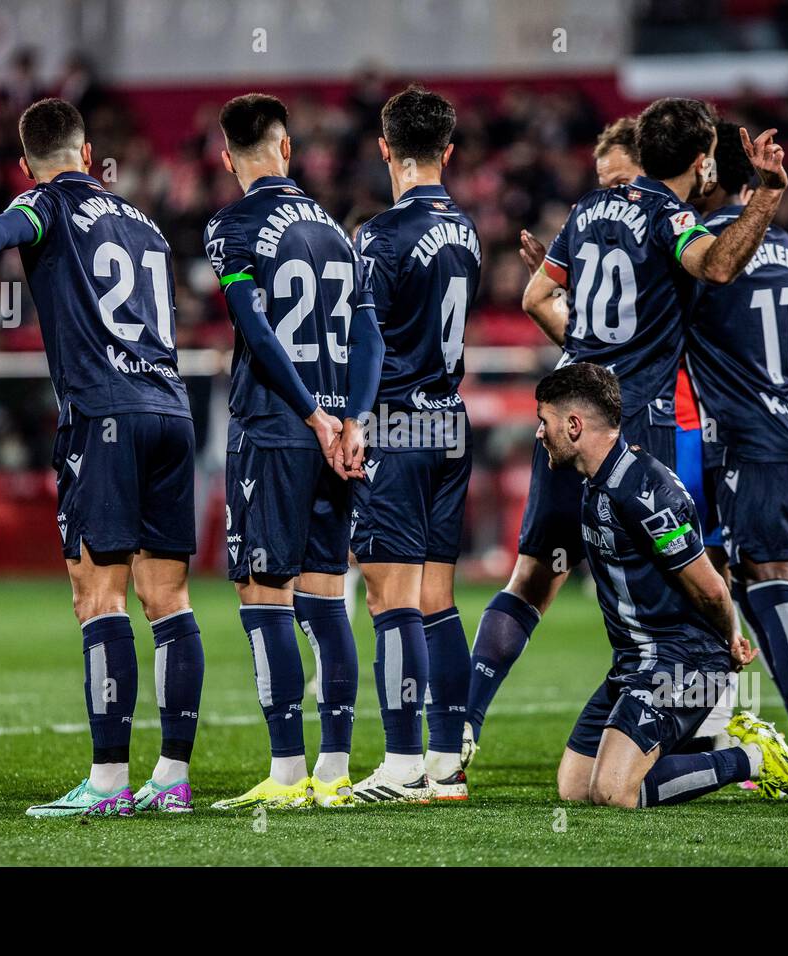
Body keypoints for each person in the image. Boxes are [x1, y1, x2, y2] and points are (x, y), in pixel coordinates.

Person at [0, 98, 204, 816]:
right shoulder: (146, 225)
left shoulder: (46, 204)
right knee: (170, 601)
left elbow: (6, 228)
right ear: (89, 154)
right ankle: (173, 778)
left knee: (99, 598)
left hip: (106, 416)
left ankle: (107, 784)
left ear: (26, 167)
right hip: (170, 411)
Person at [466, 99, 788, 761]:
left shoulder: (585, 210)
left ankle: (460, 729)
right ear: (699, 162)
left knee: (532, 577)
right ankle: (705, 737)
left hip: (566, 422)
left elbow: (534, 297)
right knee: (684, 583)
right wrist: (763, 199)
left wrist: (586, 355)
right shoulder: (672, 217)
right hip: (636, 424)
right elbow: (719, 266)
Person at [203, 94, 384, 810]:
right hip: (339, 433)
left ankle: (285, 775)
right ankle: (335, 772)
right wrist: (353, 419)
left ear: (228, 159)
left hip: (278, 429)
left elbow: (253, 326)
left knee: (264, 595)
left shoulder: (232, 226)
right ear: (286, 150)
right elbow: (370, 335)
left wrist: (310, 414)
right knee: (326, 595)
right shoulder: (338, 233)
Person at [534, 362, 788, 807]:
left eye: (544, 422)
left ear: (573, 426)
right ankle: (674, 755)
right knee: (575, 788)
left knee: (613, 792)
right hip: (635, 663)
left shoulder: (644, 491)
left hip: (682, 662)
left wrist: (730, 639)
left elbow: (707, 585)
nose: (539, 433)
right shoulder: (600, 482)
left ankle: (752, 758)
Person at [688, 121, 788, 788]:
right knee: (751, 583)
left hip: (750, 434)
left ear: (710, 173)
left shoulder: (705, 248)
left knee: (770, 585)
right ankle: (724, 729)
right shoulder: (784, 244)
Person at [347, 86, 480, 802]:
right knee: (437, 596)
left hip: (396, 425)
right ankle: (446, 761)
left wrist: (349, 421)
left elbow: (366, 343)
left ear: (384, 148)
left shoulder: (378, 236)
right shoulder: (468, 232)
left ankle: (401, 765)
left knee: (388, 598)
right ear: (448, 151)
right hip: (449, 422)